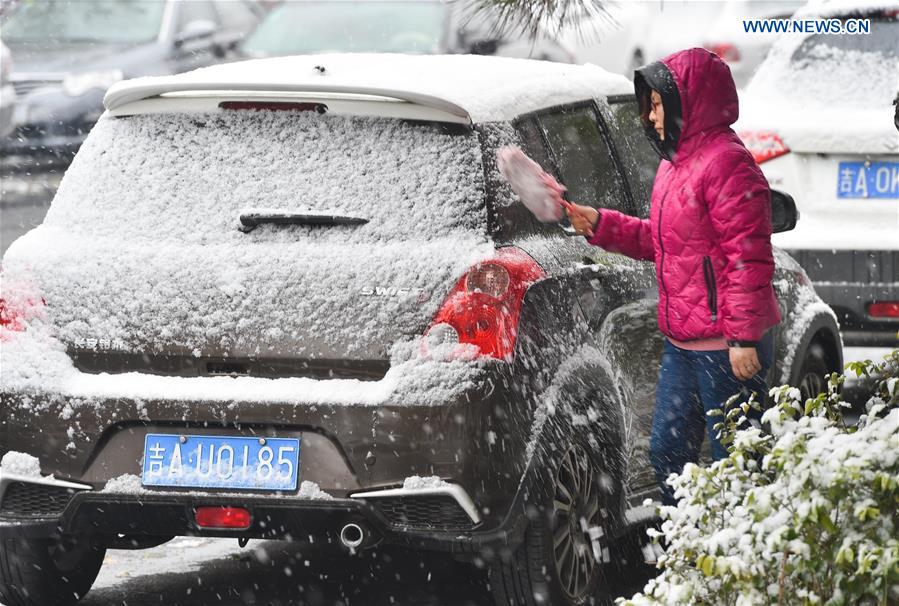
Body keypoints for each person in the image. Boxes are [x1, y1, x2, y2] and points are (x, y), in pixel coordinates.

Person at [565, 48, 782, 506]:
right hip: (683, 341)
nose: (650, 115)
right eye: (649, 105)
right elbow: (665, 243)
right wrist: (601, 224)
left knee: (736, 462)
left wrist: (742, 337)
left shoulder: (727, 163)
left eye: (658, 103)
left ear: (689, 101)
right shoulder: (674, 165)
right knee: (668, 454)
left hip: (727, 344)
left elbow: (749, 256)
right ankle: (687, 554)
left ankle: (738, 564)